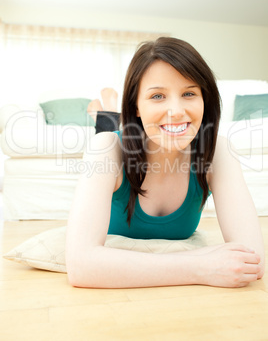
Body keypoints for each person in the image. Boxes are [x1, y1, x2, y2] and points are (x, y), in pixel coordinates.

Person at [66, 37, 264, 289]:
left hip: (144, 130)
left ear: (206, 100)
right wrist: (201, 266)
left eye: (189, 93)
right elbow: (81, 266)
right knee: (107, 131)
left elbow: (252, 260)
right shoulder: (106, 149)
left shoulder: (218, 151)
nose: (176, 111)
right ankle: (104, 112)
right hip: (126, 140)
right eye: (158, 95)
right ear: (136, 105)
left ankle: (109, 111)